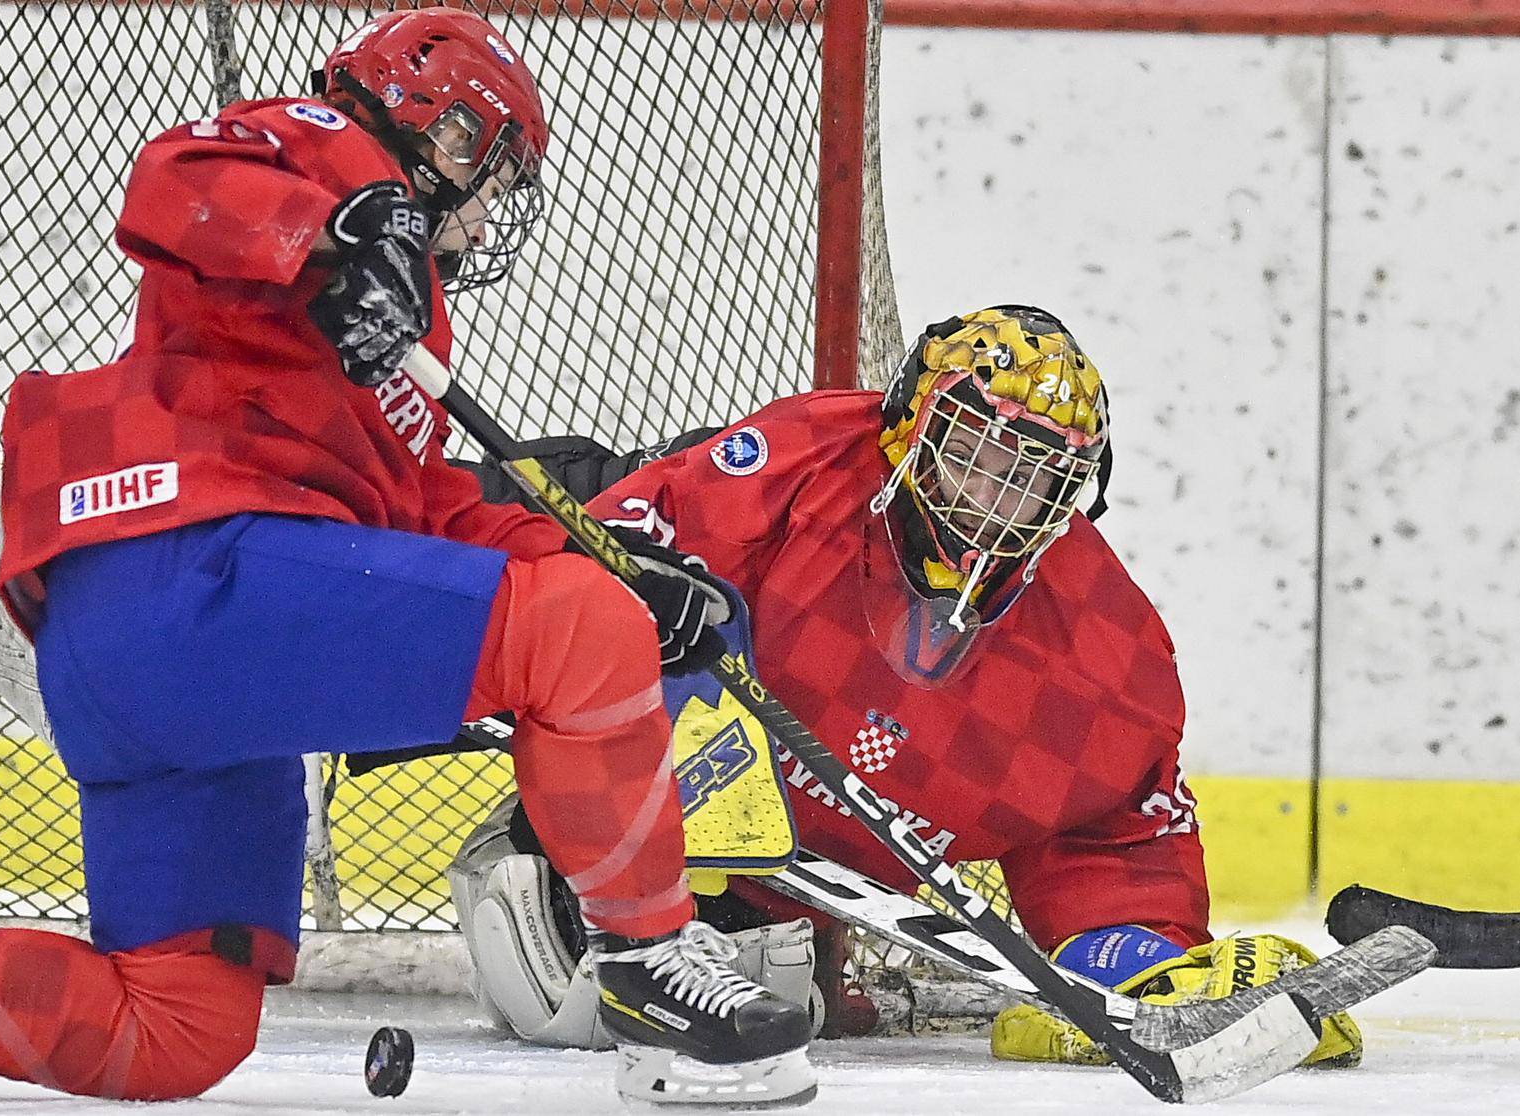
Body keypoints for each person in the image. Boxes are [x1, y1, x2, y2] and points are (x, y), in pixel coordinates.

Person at [0, 10, 813, 1105]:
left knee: (179, 1030)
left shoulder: (393, 319)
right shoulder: (324, 151)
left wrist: (610, 563)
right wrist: (350, 219)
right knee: (572, 631)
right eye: (487, 175)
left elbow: (415, 513)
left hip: (161, 671)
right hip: (192, 575)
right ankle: (653, 973)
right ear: (443, 128)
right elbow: (177, 178)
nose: (486, 215)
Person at [451, 305, 1362, 1068]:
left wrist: (1133, 958)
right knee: (563, 980)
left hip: (777, 900)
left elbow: (1112, 842)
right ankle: (539, 853)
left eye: (1032, 475)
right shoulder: (801, 462)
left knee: (761, 1014)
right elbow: (601, 571)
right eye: (971, 452)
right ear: (906, 431)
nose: (990, 495)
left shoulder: (1104, 656)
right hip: (636, 805)